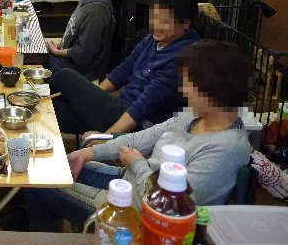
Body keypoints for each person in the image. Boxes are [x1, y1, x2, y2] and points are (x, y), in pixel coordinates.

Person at [25, 40, 252, 232]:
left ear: (212, 89)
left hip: (137, 217)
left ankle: (44, 241)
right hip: (130, 183)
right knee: (50, 168)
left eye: (189, 84)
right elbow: (138, 139)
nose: (183, 90)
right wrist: (87, 154)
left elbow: (167, 206)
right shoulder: (193, 117)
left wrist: (138, 164)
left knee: (39, 183)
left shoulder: (226, 149)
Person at [51, 0, 199, 135]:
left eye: (165, 21)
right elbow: (122, 71)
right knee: (53, 109)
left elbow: (142, 107)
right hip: (120, 108)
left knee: (65, 76)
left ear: (185, 24)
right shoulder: (153, 39)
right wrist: (90, 97)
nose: (156, 25)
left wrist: (105, 138)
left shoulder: (184, 57)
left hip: (138, 126)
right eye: (154, 16)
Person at [46, 0, 113, 79]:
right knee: (34, 51)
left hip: (77, 71)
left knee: (35, 59)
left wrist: (56, 52)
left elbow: (83, 55)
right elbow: (74, 34)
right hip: (67, 61)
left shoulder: (96, 9)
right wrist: (60, 45)